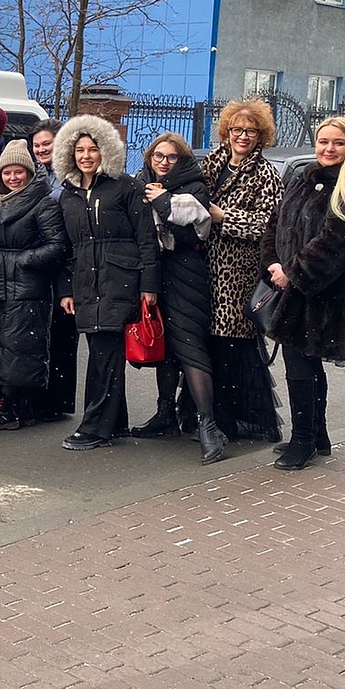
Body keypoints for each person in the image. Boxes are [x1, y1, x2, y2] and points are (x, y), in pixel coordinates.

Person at [262, 115, 345, 471]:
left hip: (327, 292)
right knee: (303, 360)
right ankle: (316, 435)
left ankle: (304, 440)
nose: (329, 149)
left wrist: (294, 272)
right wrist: (273, 262)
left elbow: (338, 241)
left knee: (300, 364)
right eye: (324, 142)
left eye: (338, 143)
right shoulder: (305, 177)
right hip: (295, 287)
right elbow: (277, 222)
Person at [52, 115, 160, 451]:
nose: (86, 156)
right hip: (86, 285)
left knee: (104, 354)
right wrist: (65, 290)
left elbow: (147, 239)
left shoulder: (126, 187)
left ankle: (95, 427)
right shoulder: (67, 195)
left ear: (105, 151)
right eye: (79, 150)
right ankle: (115, 422)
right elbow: (64, 249)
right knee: (104, 352)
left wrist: (149, 285)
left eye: (92, 149)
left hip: (120, 281)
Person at [128, 133, 227, 464]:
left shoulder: (194, 186)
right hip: (153, 274)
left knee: (190, 349)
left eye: (171, 157)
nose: (163, 162)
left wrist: (162, 201)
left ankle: (208, 426)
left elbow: (191, 233)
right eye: (158, 156)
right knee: (164, 349)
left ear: (182, 160)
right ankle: (165, 413)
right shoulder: (140, 182)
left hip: (186, 274)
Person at [201, 99, 285, 444]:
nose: (243, 136)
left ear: (260, 135)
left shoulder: (265, 173)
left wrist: (224, 218)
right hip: (204, 267)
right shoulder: (211, 163)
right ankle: (205, 416)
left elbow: (268, 225)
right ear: (227, 131)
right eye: (237, 129)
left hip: (239, 272)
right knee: (207, 343)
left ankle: (232, 421)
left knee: (232, 346)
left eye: (251, 131)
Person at [0, 140, 68, 431]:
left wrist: (25, 259)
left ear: (28, 172)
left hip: (27, 285)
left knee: (16, 347)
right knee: (3, 346)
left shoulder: (43, 203)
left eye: (19, 172)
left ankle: (6, 406)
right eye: (7, 173)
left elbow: (58, 245)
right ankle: (22, 407)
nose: (13, 178)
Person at [14, 118, 78, 418]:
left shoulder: (70, 177)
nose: (41, 149)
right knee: (41, 332)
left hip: (65, 258)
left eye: (46, 144)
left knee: (63, 333)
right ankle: (40, 398)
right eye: (37, 145)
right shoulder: (39, 175)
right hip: (42, 257)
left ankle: (57, 402)